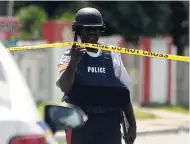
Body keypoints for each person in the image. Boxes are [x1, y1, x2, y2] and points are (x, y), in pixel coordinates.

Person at [56, 7, 137, 144]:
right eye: (87, 29)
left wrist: (132, 124)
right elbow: (64, 86)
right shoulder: (69, 55)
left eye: (96, 28)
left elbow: (123, 93)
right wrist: (74, 62)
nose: (92, 32)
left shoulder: (111, 55)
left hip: (109, 123)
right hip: (81, 123)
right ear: (79, 31)